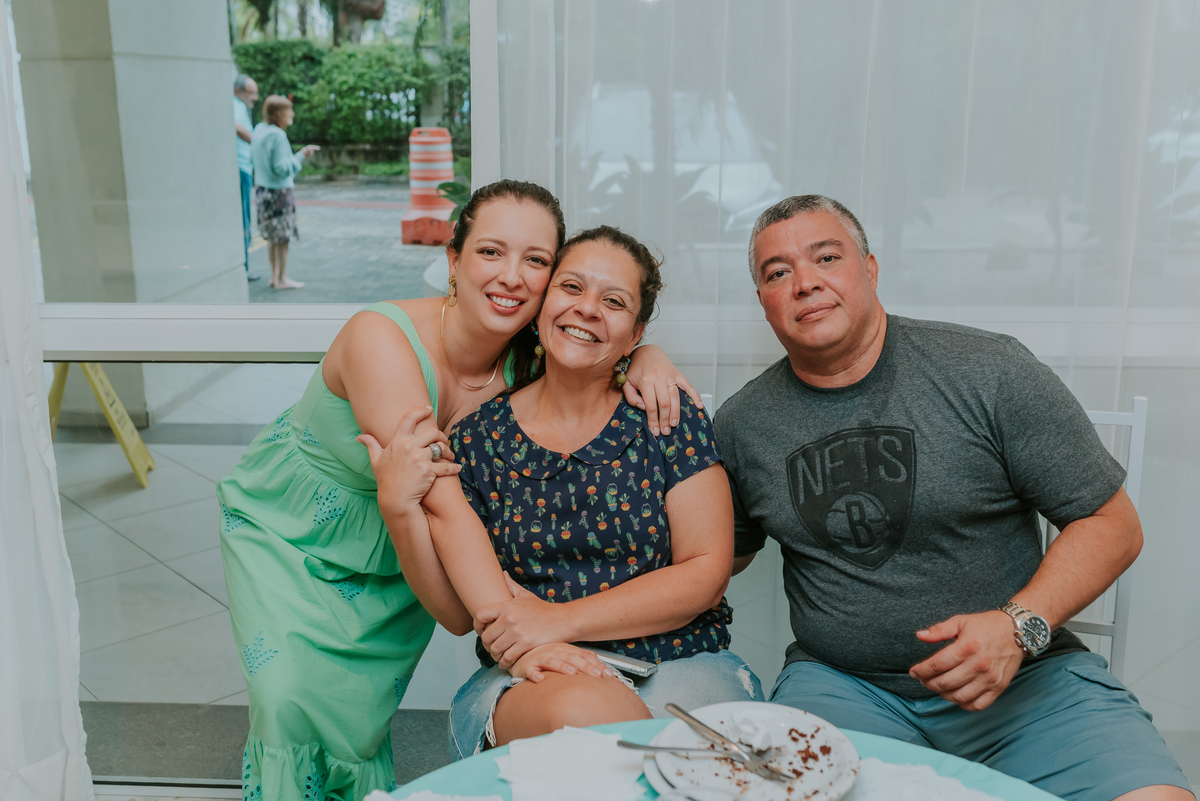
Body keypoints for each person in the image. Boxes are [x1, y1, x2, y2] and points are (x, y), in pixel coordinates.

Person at [217, 180, 700, 801]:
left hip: (405, 540)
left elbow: (601, 344)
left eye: (536, 261)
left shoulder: (531, 358)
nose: (512, 277)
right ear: (453, 261)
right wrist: (523, 644)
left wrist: (649, 356)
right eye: (491, 252)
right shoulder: (380, 339)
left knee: (353, 723)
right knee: (287, 702)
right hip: (298, 529)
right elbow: (440, 497)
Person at [713, 194, 1193, 801]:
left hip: (1028, 682)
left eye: (826, 257)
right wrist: (629, 369)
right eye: (777, 273)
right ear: (764, 302)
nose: (805, 283)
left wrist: (1019, 628)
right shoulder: (741, 424)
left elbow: (1112, 523)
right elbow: (706, 564)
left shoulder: (989, 371)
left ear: (870, 268)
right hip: (844, 690)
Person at [364, 225, 762, 760]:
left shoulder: (666, 417)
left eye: (614, 301)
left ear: (636, 331)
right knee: (583, 720)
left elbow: (706, 572)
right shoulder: (478, 438)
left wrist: (557, 619)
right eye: (572, 288)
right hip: (536, 674)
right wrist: (400, 511)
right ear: (543, 302)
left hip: (681, 663)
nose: (588, 309)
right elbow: (460, 616)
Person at [251, 95, 318, 289]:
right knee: (282, 239)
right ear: (279, 113)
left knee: (272, 238)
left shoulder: (259, 130)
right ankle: (282, 279)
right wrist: (301, 156)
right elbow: (281, 169)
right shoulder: (278, 135)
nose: (293, 114)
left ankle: (274, 277)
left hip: (262, 191)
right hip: (279, 193)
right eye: (289, 110)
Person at [233, 74, 260, 281]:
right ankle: (243, 268)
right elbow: (237, 127)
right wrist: (257, 142)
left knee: (245, 218)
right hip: (240, 168)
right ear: (238, 91)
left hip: (244, 168)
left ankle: (244, 266)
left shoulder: (239, 106)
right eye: (251, 93)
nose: (255, 98)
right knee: (243, 218)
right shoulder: (235, 105)